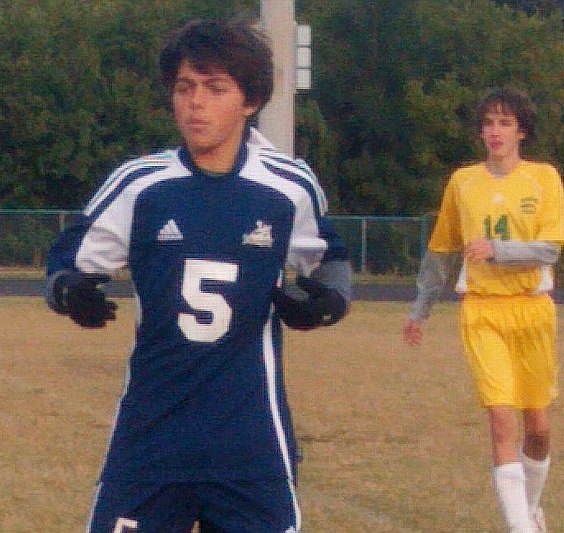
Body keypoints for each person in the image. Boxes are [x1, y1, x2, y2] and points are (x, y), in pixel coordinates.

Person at [46, 18, 351, 533]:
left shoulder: (286, 187)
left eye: (215, 89)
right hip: (153, 432)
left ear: (249, 101)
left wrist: (325, 302)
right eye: (185, 88)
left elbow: (332, 259)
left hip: (250, 439)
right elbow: (66, 260)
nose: (195, 103)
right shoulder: (142, 185)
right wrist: (69, 291)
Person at [403, 88, 564, 533]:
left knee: (538, 427)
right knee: (499, 416)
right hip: (482, 312)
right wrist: (420, 310)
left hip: (533, 311)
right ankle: (519, 527)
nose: (495, 131)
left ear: (522, 131)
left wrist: (499, 250)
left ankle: (530, 509)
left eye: (505, 122)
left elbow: (549, 249)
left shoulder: (544, 178)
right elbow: (440, 253)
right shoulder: (463, 182)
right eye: (489, 122)